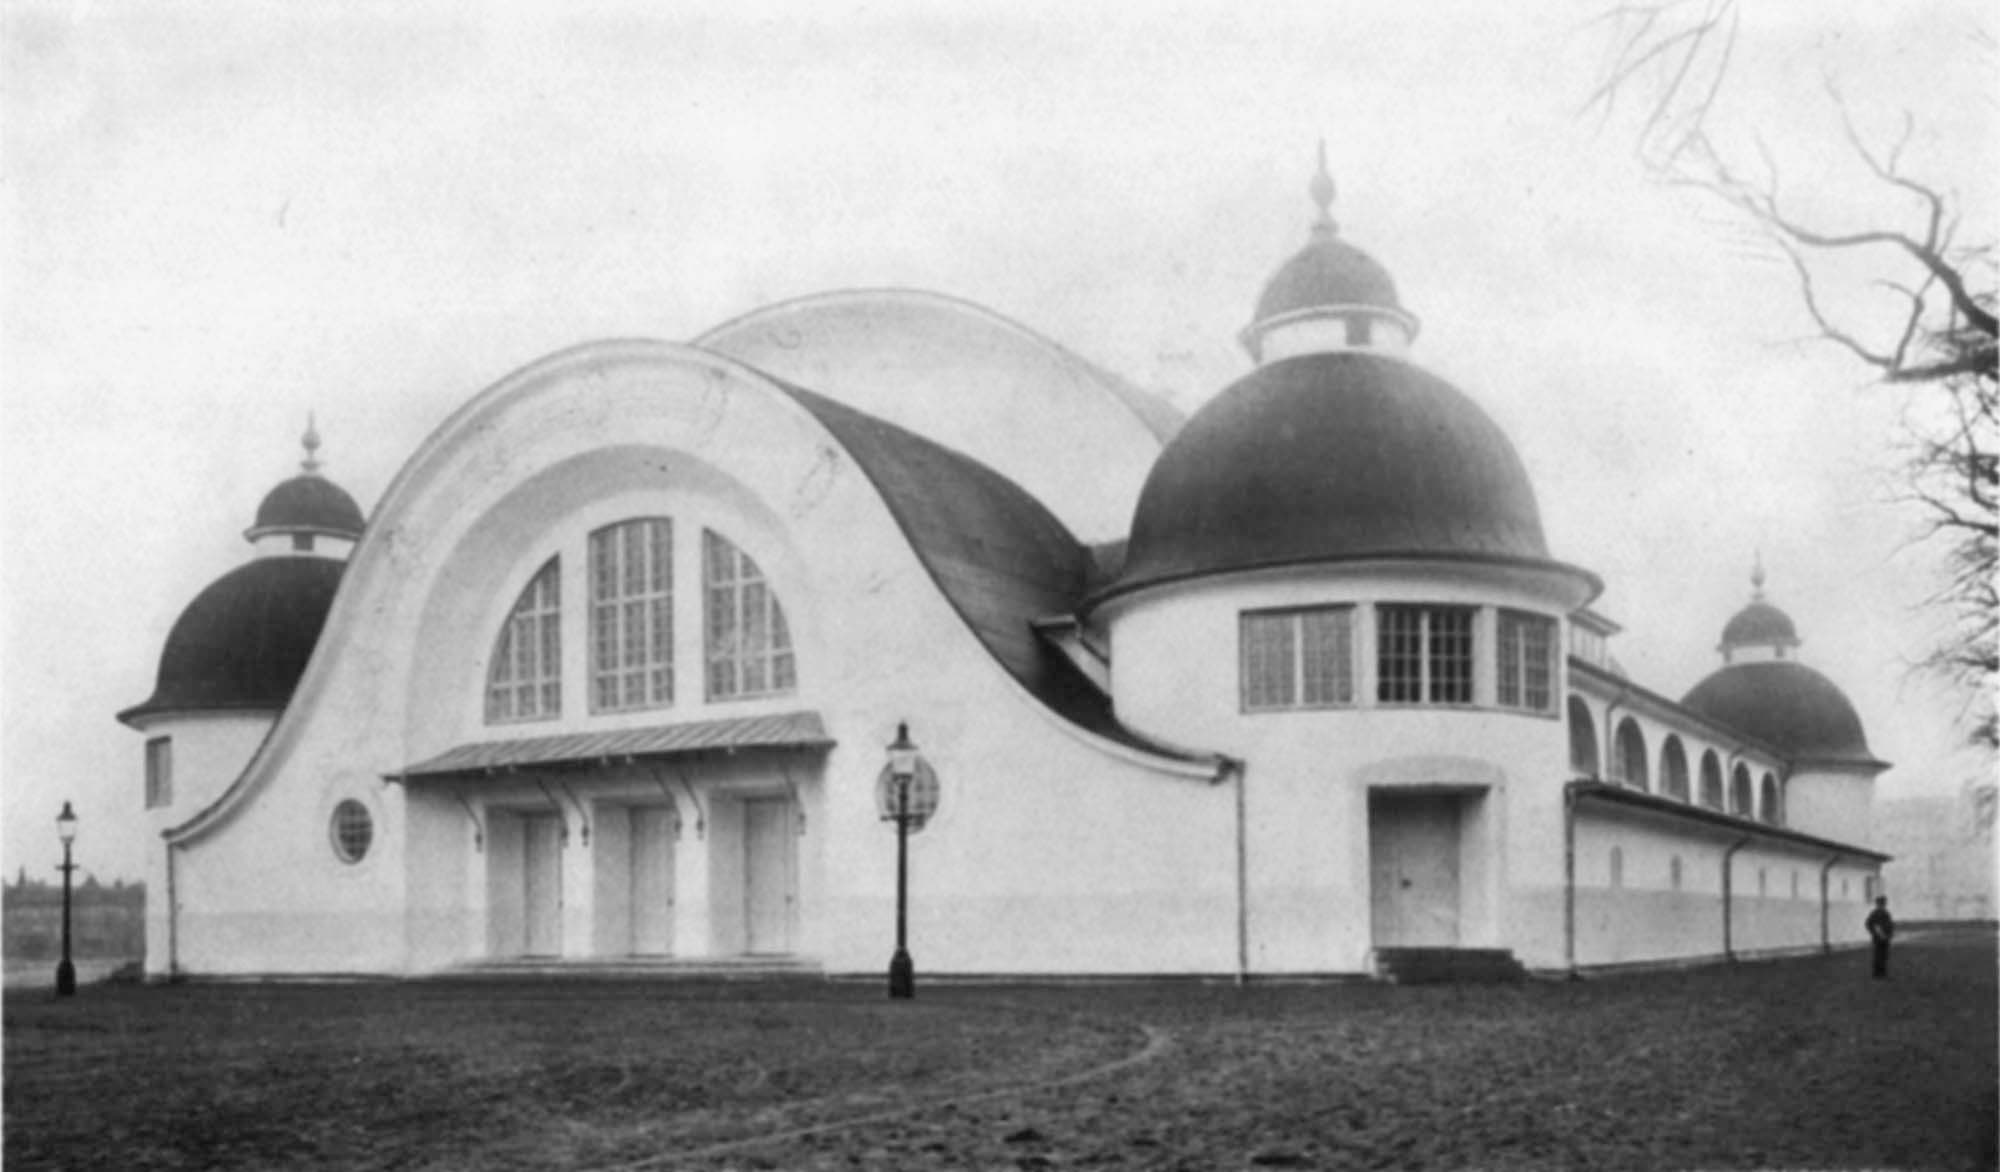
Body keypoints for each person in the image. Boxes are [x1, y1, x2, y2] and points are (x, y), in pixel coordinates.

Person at [1864, 895, 1894, 979]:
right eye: (1882, 903)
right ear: (1878, 904)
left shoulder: (1886, 912)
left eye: (1884, 903)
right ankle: (1878, 973)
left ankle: (1881, 973)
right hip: (1878, 938)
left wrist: (1889, 934)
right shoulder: (1875, 913)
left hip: (1885, 938)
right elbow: (1869, 924)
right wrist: (1875, 933)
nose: (1884, 904)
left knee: (1884, 955)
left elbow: (1889, 925)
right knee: (1878, 955)